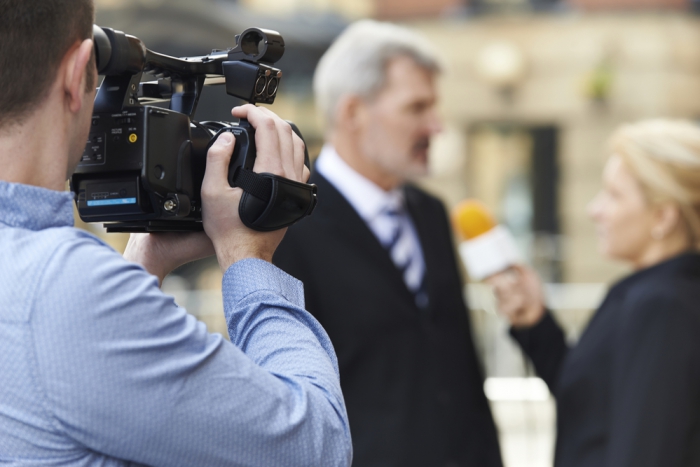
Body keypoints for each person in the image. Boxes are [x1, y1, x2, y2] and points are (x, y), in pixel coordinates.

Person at [0, 1, 352, 465]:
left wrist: (146, 260)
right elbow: (315, 445)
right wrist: (249, 258)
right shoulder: (64, 288)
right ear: (77, 71)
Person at [273, 20, 502, 467]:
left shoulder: (431, 212)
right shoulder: (287, 226)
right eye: (417, 108)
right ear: (353, 113)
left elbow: (461, 366)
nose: (436, 126)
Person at [488, 119, 700, 467]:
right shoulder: (649, 293)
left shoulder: (662, 306)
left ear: (663, 217)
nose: (594, 210)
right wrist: (536, 322)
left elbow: (646, 451)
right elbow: (591, 408)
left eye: (614, 195)